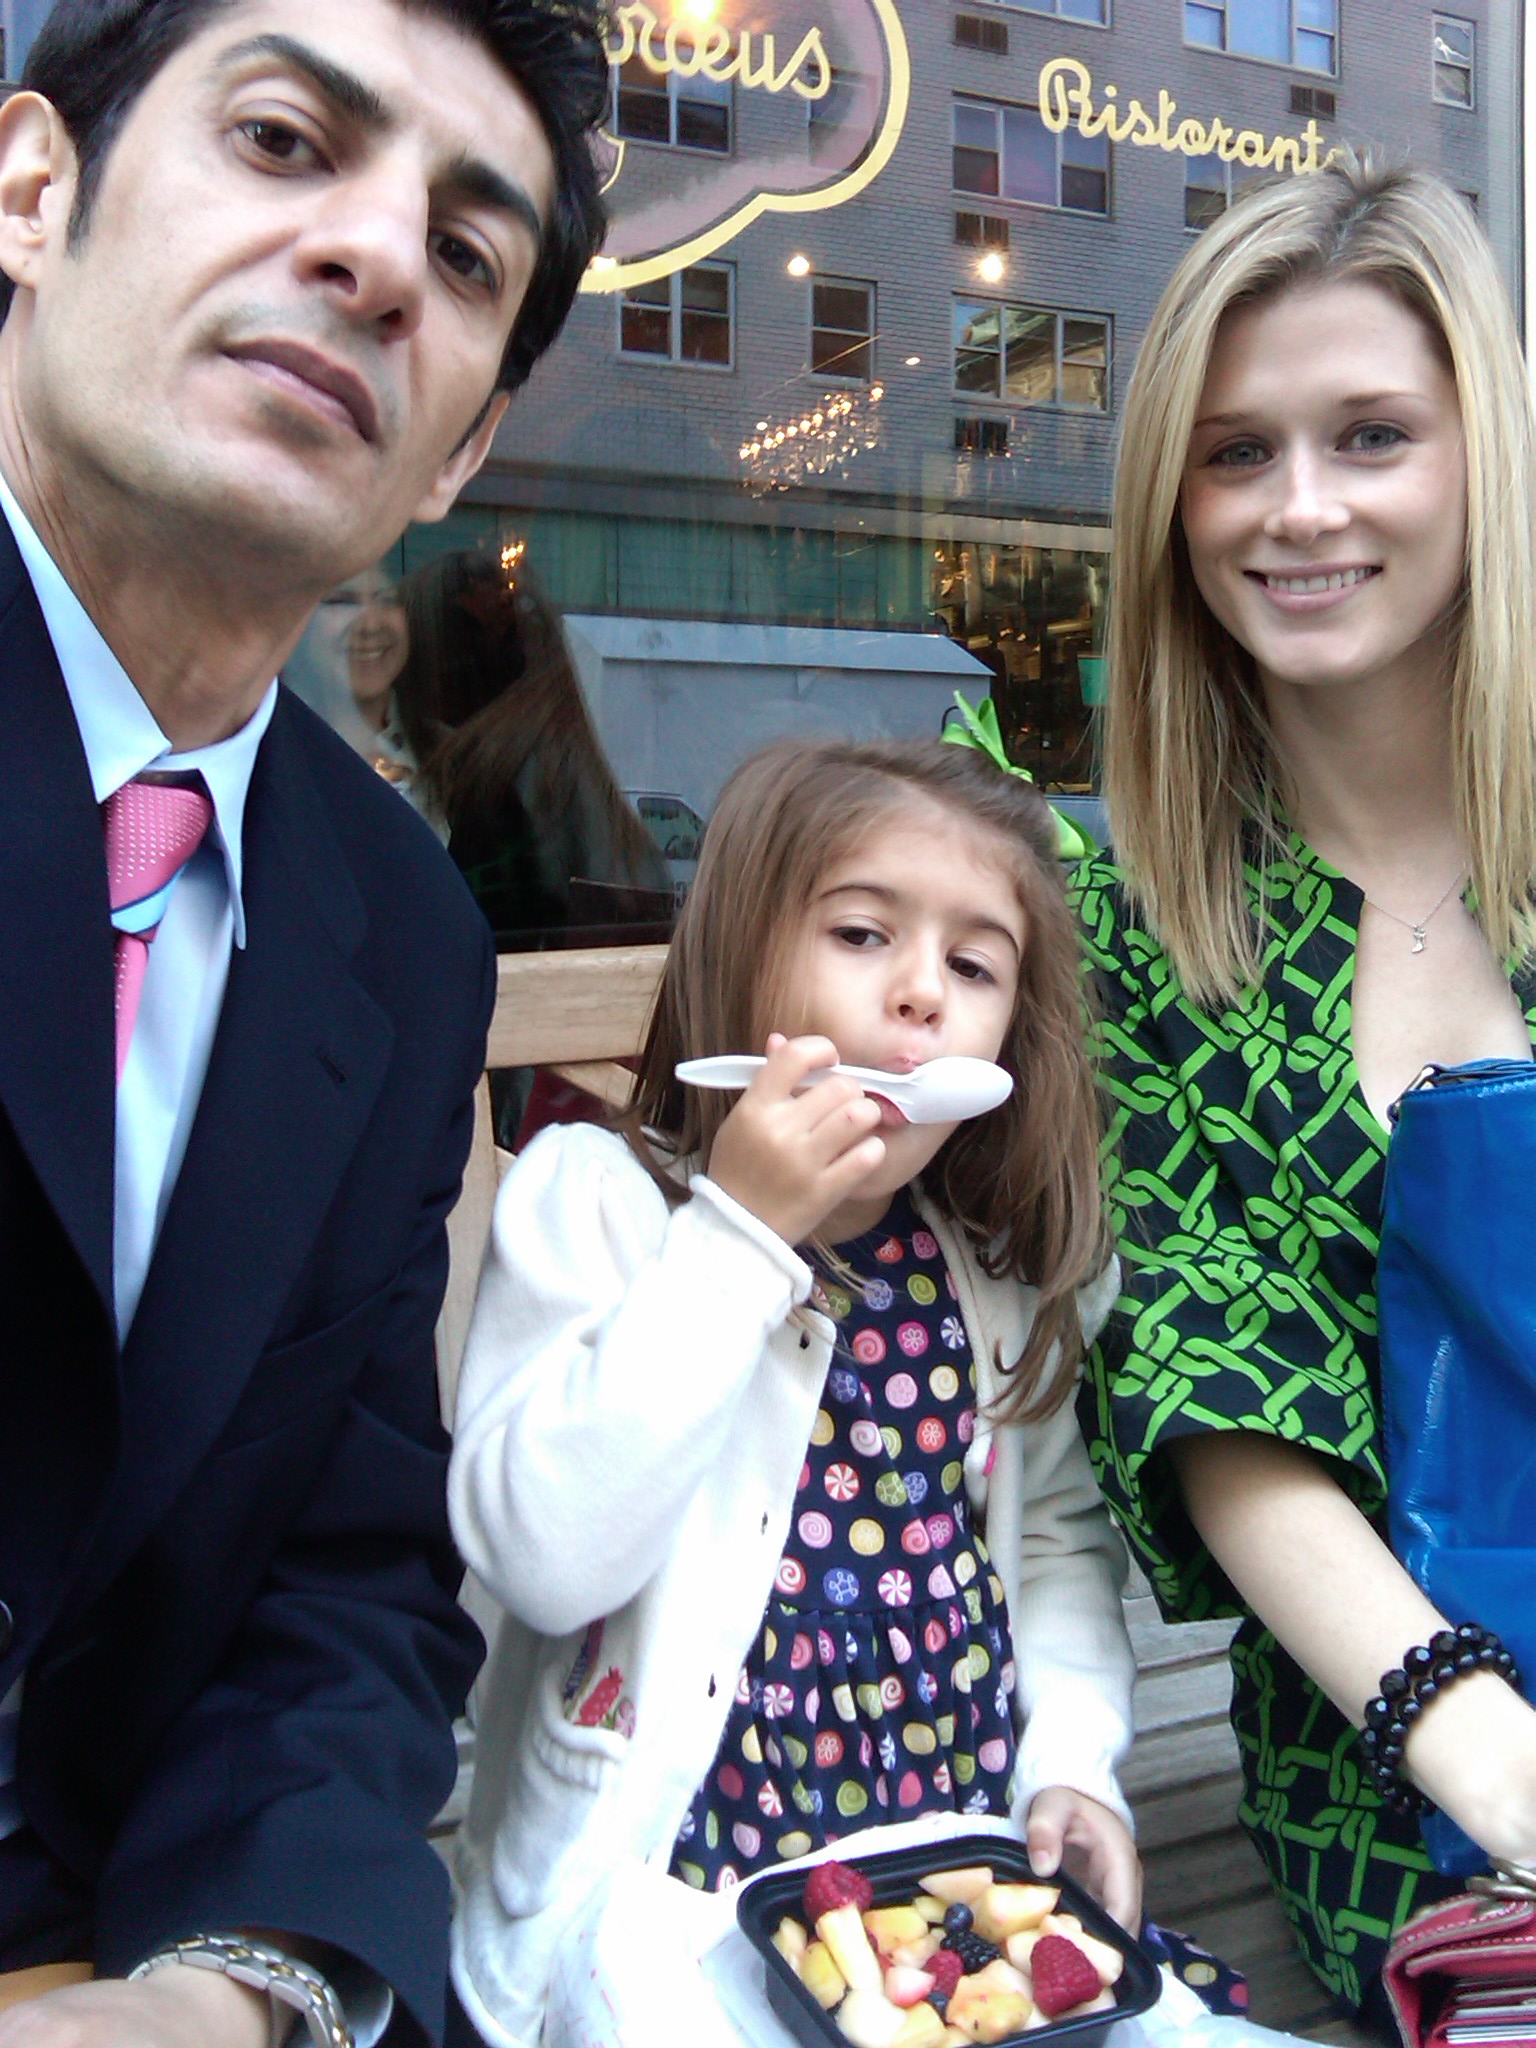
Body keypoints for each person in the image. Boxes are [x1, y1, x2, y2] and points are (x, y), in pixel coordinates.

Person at [0, 0, 607, 2042]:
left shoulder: (404, 932)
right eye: (280, 140)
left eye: (466, 252)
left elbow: (342, 1575)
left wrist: (234, 1992)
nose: (371, 257)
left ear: (461, 451)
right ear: (31, 189)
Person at [448, 738, 1141, 2048]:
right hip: (668, 1905)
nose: (922, 994)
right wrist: (742, 1236)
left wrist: (1074, 1766)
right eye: (864, 934)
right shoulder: (597, 1208)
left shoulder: (992, 1271)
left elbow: (1054, 1548)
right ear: (741, 952)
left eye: (975, 966)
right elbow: (546, 1563)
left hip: (946, 1888)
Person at [1074, 156, 1536, 2033]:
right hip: (1403, 1768)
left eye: (1371, 436)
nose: (1302, 507)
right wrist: (1493, 1757)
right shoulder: (1129, 920)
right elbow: (1219, 1390)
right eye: (1236, 453)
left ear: (1482, 464)